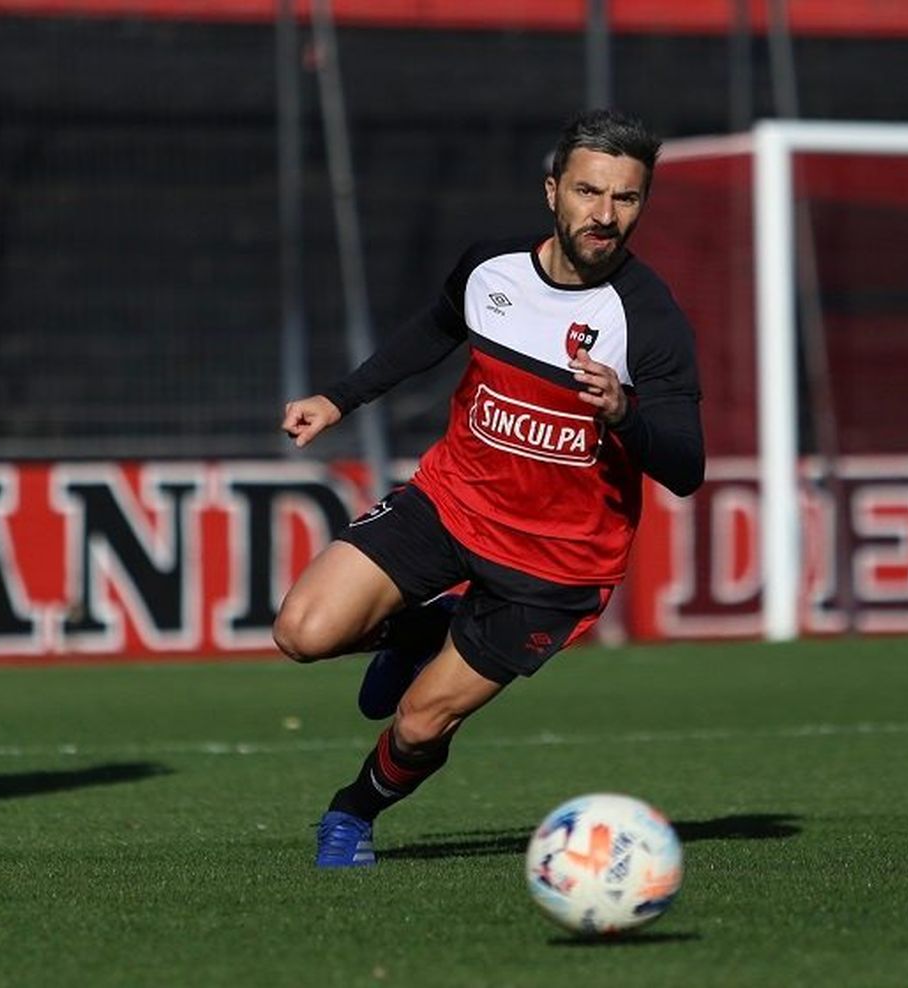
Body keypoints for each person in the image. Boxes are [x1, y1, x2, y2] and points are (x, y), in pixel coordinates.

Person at [273, 109, 704, 868]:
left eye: (625, 199)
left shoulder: (650, 320)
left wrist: (624, 413)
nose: (603, 215)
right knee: (303, 632)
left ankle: (352, 812)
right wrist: (340, 399)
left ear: (641, 204)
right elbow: (433, 331)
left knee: (417, 723)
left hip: (554, 565)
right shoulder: (492, 268)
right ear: (553, 192)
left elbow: (686, 466)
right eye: (588, 191)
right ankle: (419, 629)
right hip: (452, 502)